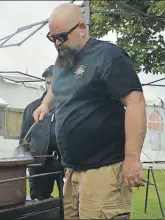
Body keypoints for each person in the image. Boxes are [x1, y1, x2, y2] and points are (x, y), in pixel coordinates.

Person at [33, 3, 147, 219]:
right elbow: (55, 88)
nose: (57, 43)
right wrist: (45, 104)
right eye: (52, 37)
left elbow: (136, 102)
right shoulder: (64, 60)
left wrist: (132, 158)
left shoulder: (108, 56)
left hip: (104, 171)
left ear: (82, 27)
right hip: (72, 171)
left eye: (62, 36)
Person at [19, 65, 64, 201]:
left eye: (54, 83)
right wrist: (28, 159)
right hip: (40, 165)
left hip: (65, 163)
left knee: (71, 203)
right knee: (39, 205)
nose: (51, 87)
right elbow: (23, 139)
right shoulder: (33, 107)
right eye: (48, 83)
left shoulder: (69, 106)